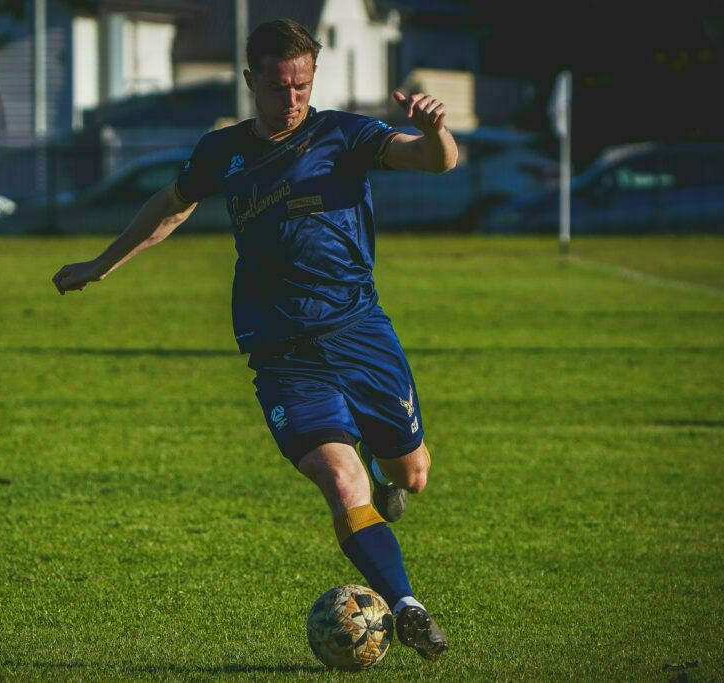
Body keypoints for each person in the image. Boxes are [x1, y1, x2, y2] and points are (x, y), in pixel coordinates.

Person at [53, 18, 457, 662]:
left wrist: (437, 131)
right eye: (276, 86)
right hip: (281, 348)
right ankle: (407, 606)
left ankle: (391, 472)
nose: (291, 99)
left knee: (413, 473)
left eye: (301, 85)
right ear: (250, 82)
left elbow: (431, 160)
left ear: (312, 79)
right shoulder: (224, 152)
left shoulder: (345, 134)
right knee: (339, 480)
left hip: (359, 332)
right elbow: (171, 205)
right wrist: (102, 264)